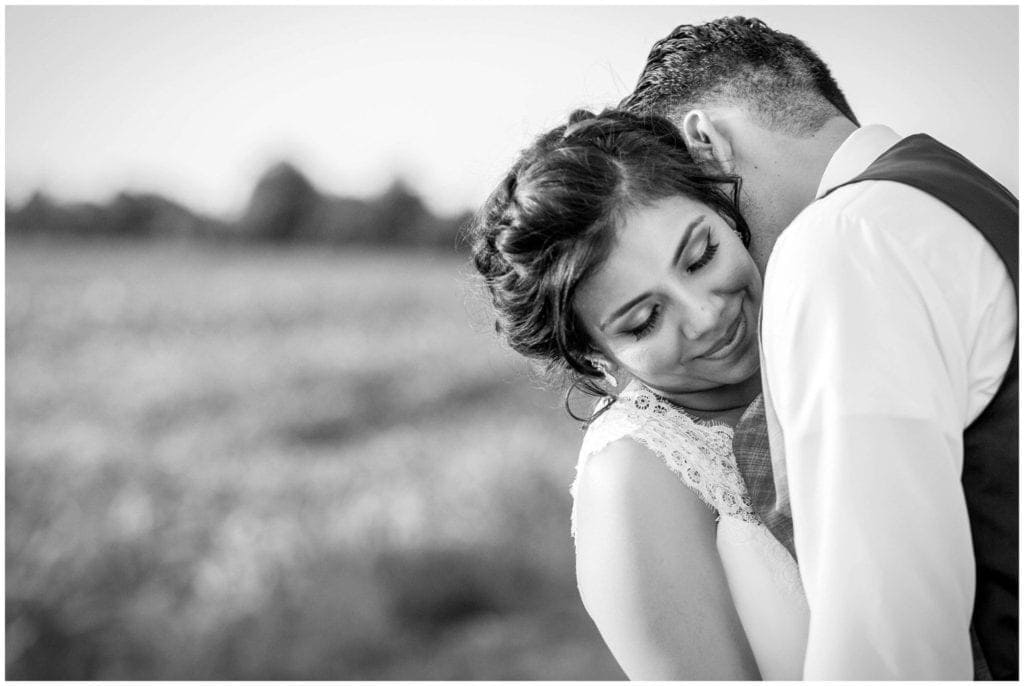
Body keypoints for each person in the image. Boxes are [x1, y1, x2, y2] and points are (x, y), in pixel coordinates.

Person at [619, 16, 1018, 680]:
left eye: (690, 199)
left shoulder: (841, 242)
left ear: (705, 143)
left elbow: (888, 640)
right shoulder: (961, 196)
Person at [470, 108, 809, 679]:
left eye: (701, 256)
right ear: (594, 354)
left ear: (725, 212)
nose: (705, 314)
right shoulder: (632, 479)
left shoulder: (816, 329)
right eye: (645, 320)